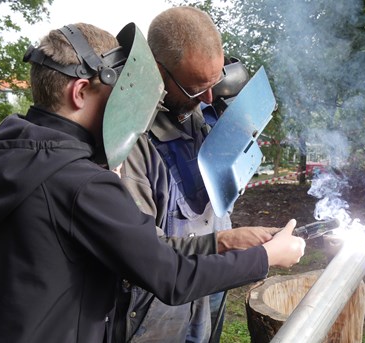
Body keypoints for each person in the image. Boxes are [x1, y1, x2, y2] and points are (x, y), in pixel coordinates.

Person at [0, 22, 305, 343]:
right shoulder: (81, 182)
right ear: (81, 91)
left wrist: (223, 241)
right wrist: (266, 256)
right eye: (119, 91)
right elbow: (171, 278)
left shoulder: (16, 155)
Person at [119, 7, 264, 343]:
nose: (208, 100)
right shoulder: (130, 141)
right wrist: (226, 243)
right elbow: (143, 251)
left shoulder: (201, 106)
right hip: (159, 304)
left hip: (211, 282)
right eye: (197, 89)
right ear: (157, 71)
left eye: (213, 84)